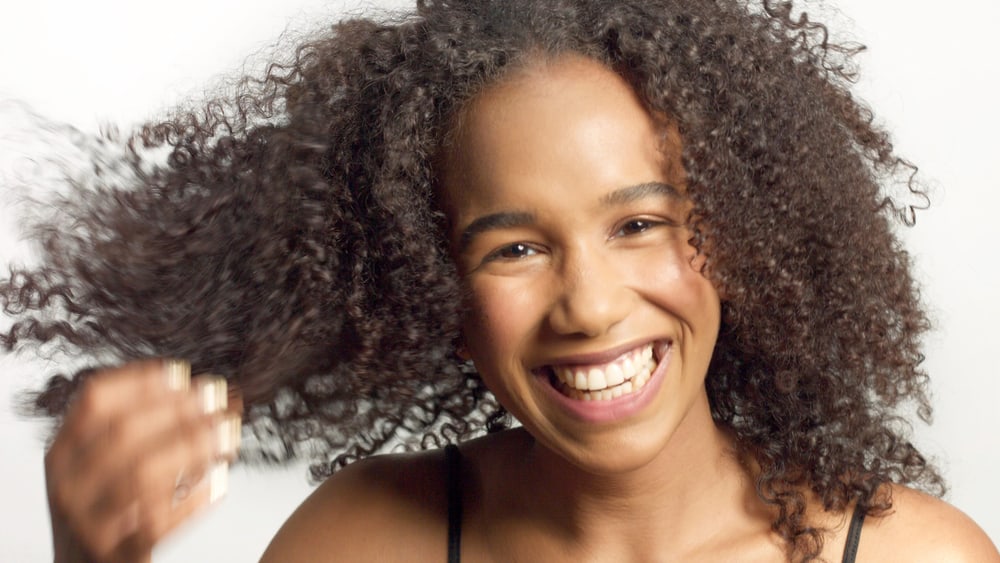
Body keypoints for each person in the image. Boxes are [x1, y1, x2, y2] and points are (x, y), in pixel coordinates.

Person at [2, 0, 997, 561]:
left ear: (742, 236)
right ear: (427, 281)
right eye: (513, 246)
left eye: (640, 223)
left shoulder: (913, 557)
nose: (592, 304)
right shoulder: (357, 547)